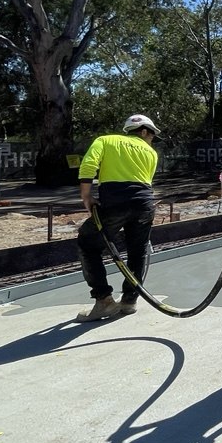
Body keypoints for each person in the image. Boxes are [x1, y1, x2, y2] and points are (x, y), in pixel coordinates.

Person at [75, 114, 160, 321]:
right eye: (152, 135)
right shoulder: (151, 152)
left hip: (115, 203)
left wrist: (86, 196)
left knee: (88, 243)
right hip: (144, 204)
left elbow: (88, 166)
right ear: (143, 131)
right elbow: (144, 182)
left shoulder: (105, 140)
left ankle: (104, 300)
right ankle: (130, 301)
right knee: (137, 251)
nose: (152, 140)